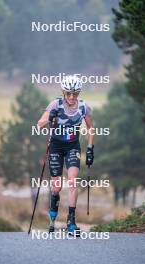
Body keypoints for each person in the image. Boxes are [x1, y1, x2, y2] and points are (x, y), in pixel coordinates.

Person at [37, 75, 94, 234]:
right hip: (55, 147)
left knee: (73, 181)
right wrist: (50, 116)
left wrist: (90, 148)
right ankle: (53, 216)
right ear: (63, 92)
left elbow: (91, 128)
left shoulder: (83, 107)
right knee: (57, 186)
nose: (71, 97)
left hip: (72, 146)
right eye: (68, 93)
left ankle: (71, 222)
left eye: (75, 93)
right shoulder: (55, 104)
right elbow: (39, 125)